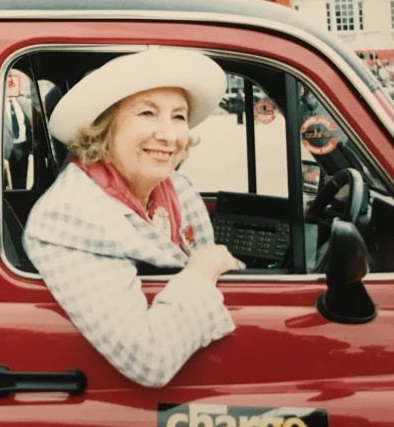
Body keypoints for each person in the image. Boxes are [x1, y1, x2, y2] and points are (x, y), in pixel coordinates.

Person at [23, 48, 244, 388]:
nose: (170, 135)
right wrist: (202, 271)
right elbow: (149, 358)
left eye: (179, 116)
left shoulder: (176, 189)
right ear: (104, 127)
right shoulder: (67, 217)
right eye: (147, 113)